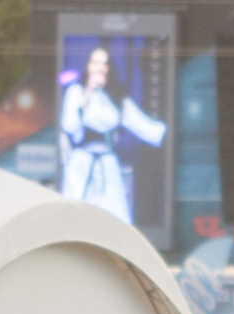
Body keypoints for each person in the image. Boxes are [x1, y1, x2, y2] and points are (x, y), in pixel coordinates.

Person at [57, 42, 168, 224]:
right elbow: (69, 125)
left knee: (116, 218)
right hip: (81, 162)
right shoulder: (75, 92)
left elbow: (141, 124)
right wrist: (87, 94)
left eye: (104, 63)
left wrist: (167, 135)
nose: (100, 68)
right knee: (75, 219)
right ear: (88, 65)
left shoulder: (115, 97)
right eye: (95, 62)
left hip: (107, 163)